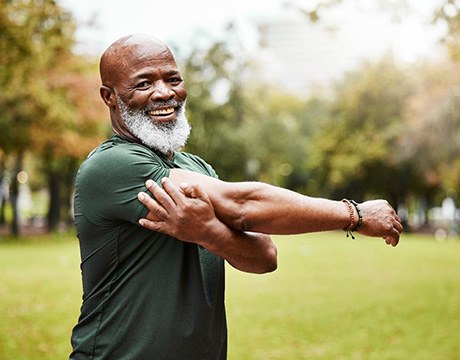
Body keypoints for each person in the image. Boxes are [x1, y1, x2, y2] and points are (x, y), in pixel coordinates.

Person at [70, 34, 402, 360]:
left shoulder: (195, 167)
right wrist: (354, 215)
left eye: (173, 79)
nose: (164, 93)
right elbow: (241, 204)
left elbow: (264, 256)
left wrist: (207, 232)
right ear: (109, 96)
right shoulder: (111, 165)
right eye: (143, 84)